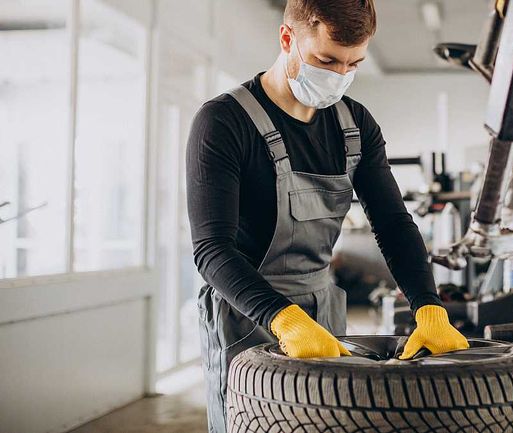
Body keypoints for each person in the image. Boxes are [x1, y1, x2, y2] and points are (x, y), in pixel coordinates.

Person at [185, 1, 469, 431]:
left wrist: (429, 305)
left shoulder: (355, 126)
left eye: (353, 63)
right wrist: (284, 318)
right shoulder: (224, 122)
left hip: (325, 310)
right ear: (287, 39)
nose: (339, 75)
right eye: (326, 60)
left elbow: (392, 223)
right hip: (247, 318)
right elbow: (211, 250)